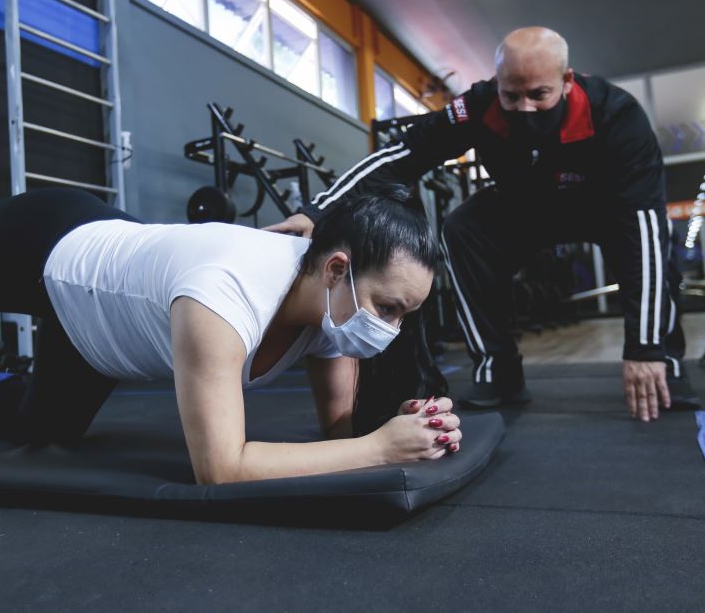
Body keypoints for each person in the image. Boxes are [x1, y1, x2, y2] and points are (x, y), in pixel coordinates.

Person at [0, 161, 459, 485]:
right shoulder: (222, 299)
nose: (390, 329)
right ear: (336, 269)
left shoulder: (333, 310)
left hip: (100, 334)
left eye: (405, 313)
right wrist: (380, 451)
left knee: (46, 427)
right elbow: (223, 468)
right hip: (52, 246)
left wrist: (404, 428)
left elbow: (337, 434)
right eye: (388, 307)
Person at [266, 26, 699, 422]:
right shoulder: (478, 105)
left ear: (567, 81)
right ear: (497, 84)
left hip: (604, 208)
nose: (524, 108)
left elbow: (642, 227)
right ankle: (498, 369)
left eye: (539, 95)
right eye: (512, 96)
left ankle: (664, 362)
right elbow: (404, 155)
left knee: (650, 237)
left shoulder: (617, 115)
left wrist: (644, 348)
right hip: (524, 205)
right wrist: (317, 212)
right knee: (463, 229)